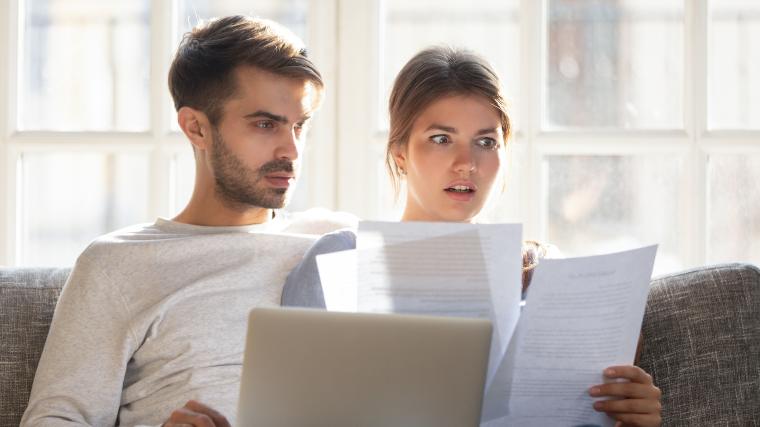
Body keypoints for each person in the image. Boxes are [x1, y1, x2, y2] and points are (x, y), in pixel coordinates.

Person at [281, 46, 661, 427]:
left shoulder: (543, 272)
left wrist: (631, 418)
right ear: (399, 153)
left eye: (486, 142)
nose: (467, 163)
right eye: (441, 139)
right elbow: (289, 408)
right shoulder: (339, 260)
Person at [21, 16, 354, 427]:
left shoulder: (336, 246)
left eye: (299, 126)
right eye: (265, 124)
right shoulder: (118, 264)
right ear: (196, 127)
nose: (291, 150)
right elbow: (52, 419)